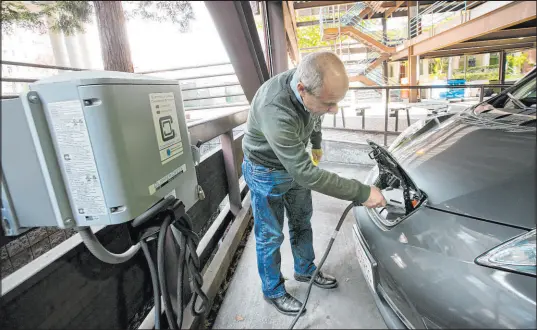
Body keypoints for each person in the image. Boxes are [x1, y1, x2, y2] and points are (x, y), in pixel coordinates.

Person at [241, 51, 387, 316]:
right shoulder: (274, 108)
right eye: (330, 103)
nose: (335, 110)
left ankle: (305, 269)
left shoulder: (310, 90)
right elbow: (306, 174)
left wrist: (316, 144)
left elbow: (315, 118)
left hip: (294, 162)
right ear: (301, 90)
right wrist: (362, 192)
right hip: (266, 171)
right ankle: (272, 290)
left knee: (301, 220)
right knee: (270, 234)